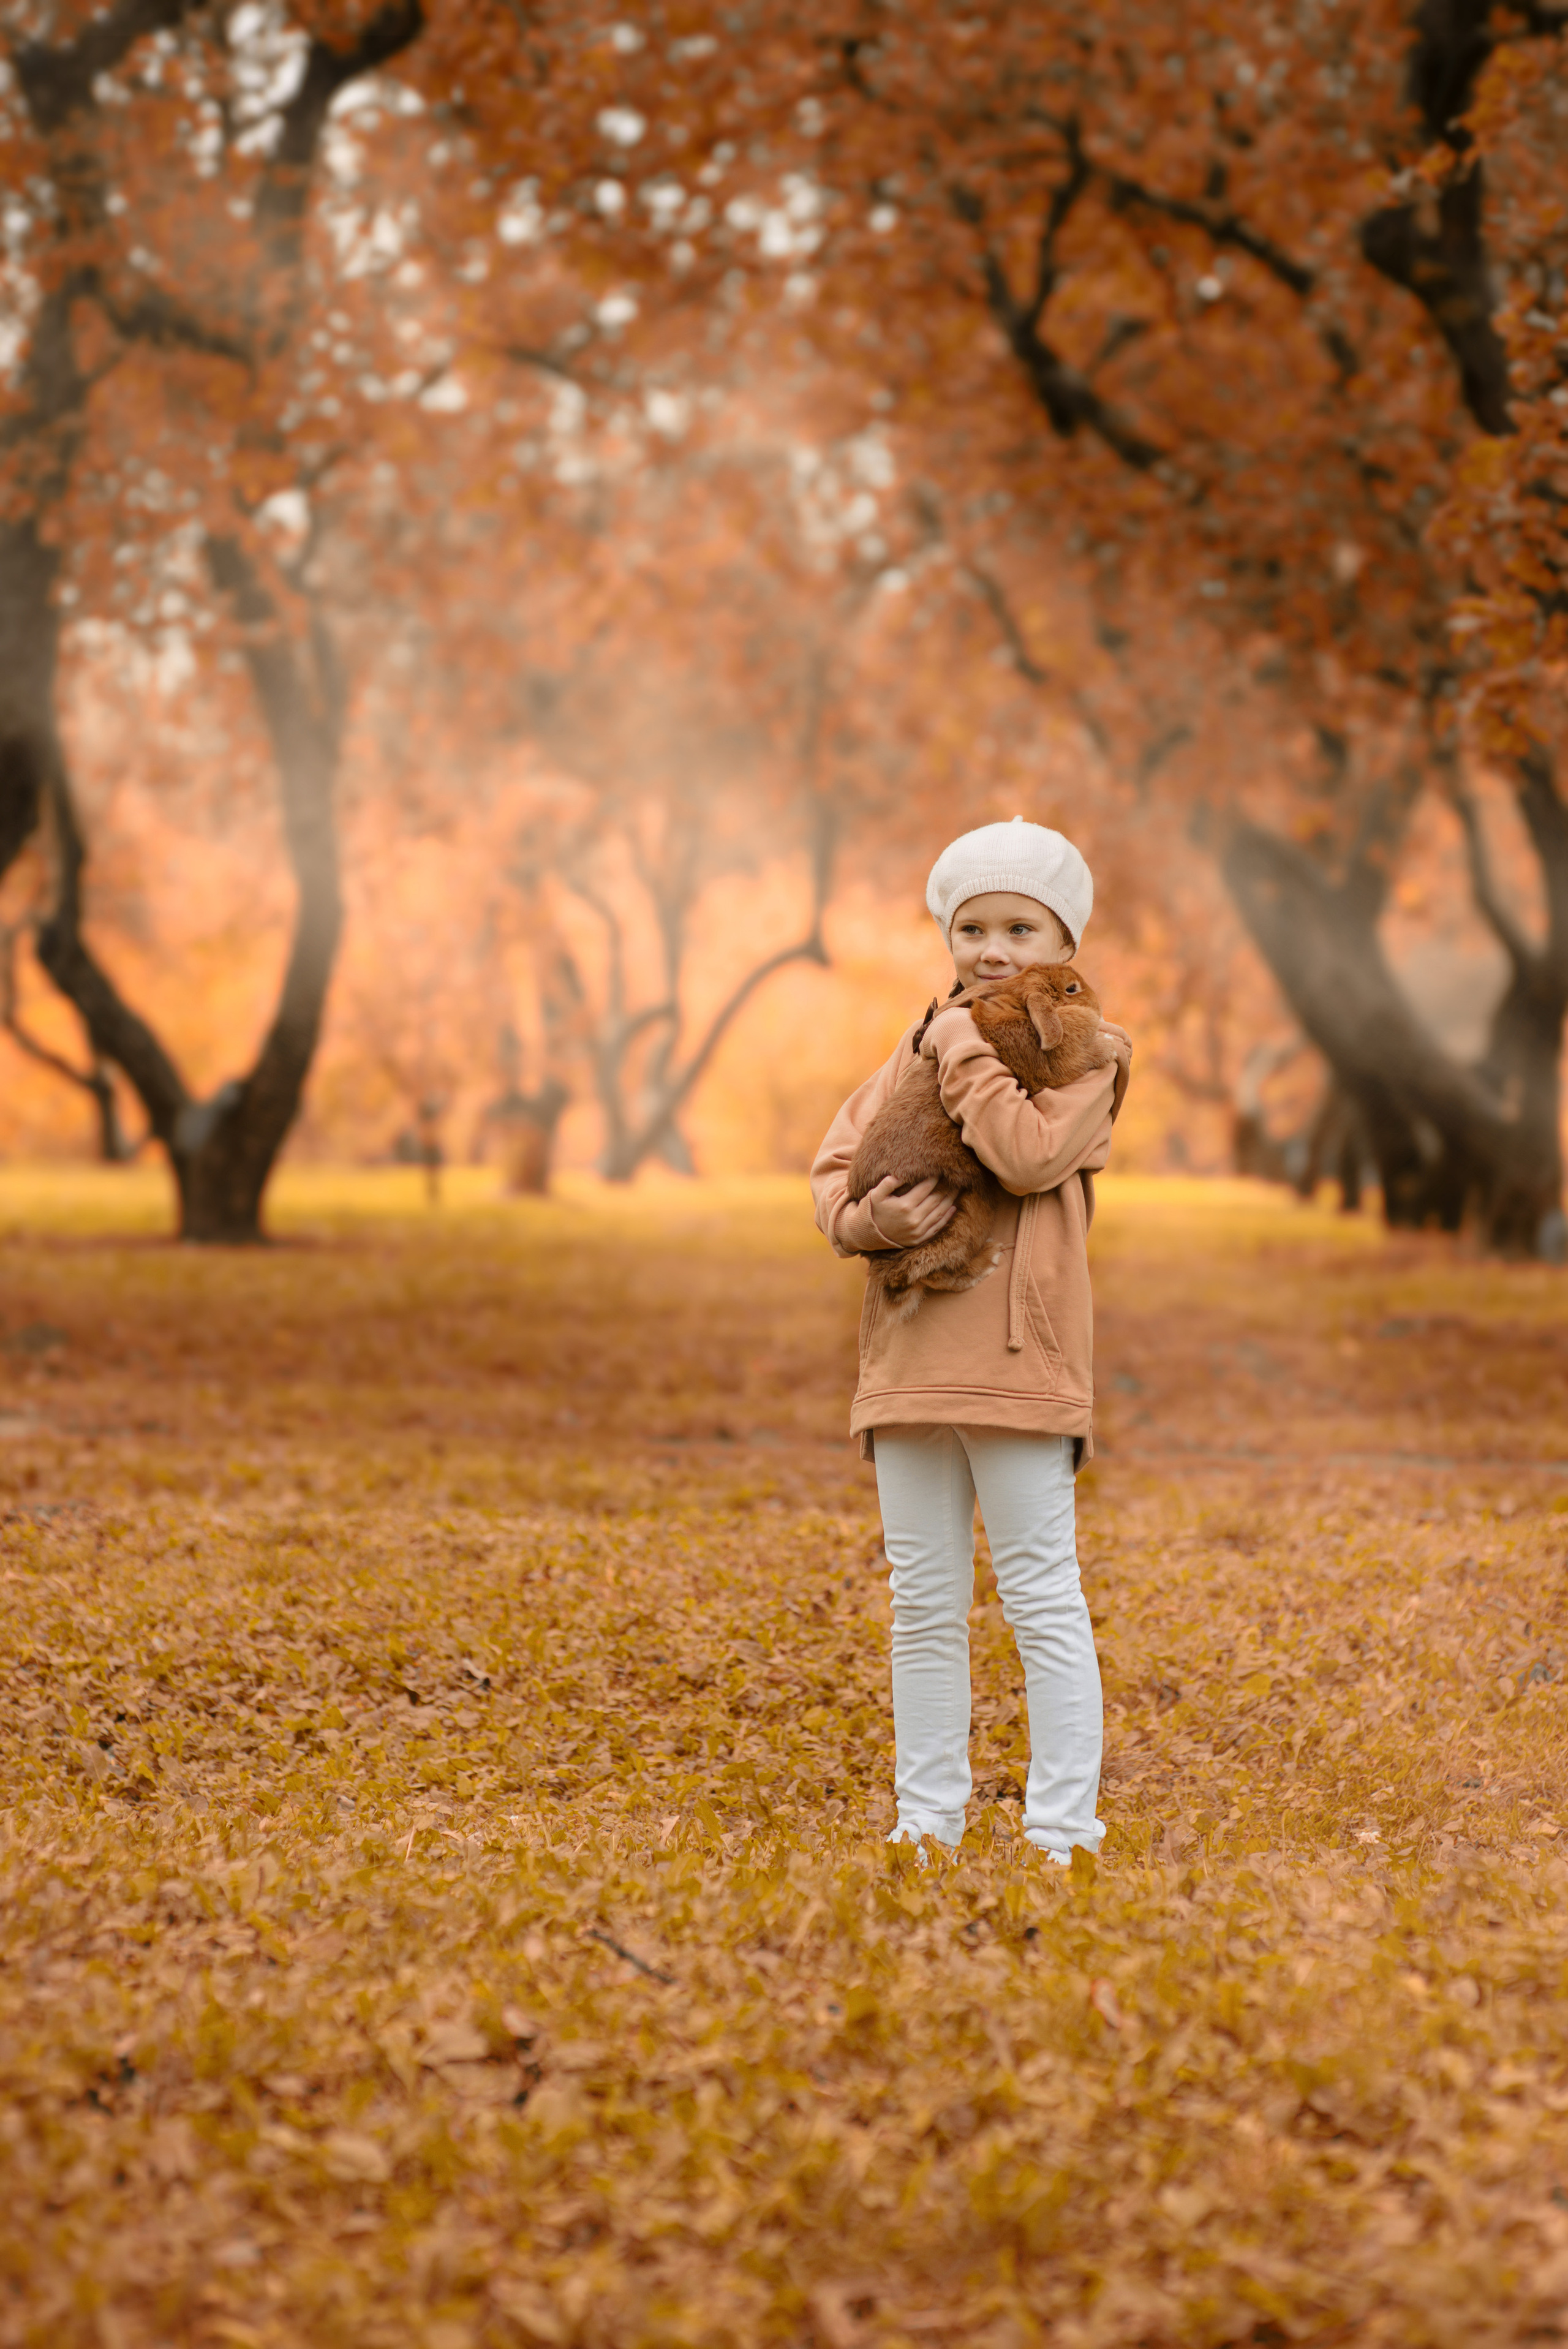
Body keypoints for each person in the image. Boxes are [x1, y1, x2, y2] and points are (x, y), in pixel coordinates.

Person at [810, 819, 1132, 1863]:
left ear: (1062, 943)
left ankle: (1062, 1831)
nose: (993, 948)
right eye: (972, 926)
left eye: (1021, 928)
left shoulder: (1086, 1058)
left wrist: (958, 1049)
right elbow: (834, 1169)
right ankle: (926, 1821)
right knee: (924, 1602)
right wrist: (868, 1226)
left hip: (1018, 1364)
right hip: (908, 1359)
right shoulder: (912, 1045)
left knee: (1041, 1595)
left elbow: (1026, 1156)